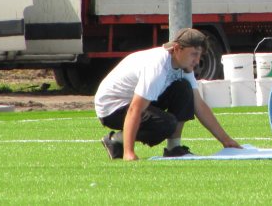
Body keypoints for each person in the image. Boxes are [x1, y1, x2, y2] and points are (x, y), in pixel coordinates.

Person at [95, 28, 241, 160]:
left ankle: (174, 149)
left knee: (184, 88)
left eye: (199, 55)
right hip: (112, 108)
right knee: (166, 123)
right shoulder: (157, 68)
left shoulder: (184, 66)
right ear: (177, 48)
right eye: (194, 54)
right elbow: (135, 108)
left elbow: (199, 105)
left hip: (132, 102)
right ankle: (116, 140)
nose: (197, 61)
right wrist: (129, 152)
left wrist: (226, 141)